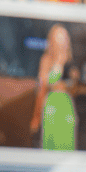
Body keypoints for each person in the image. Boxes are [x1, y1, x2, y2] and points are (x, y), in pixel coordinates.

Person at [31, 23, 76, 151]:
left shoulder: (70, 61)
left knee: (67, 145)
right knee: (52, 144)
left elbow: (74, 89)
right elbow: (42, 88)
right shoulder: (47, 60)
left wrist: (73, 81)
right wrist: (36, 117)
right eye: (58, 37)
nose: (62, 41)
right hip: (52, 106)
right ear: (52, 40)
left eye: (64, 37)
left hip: (67, 106)